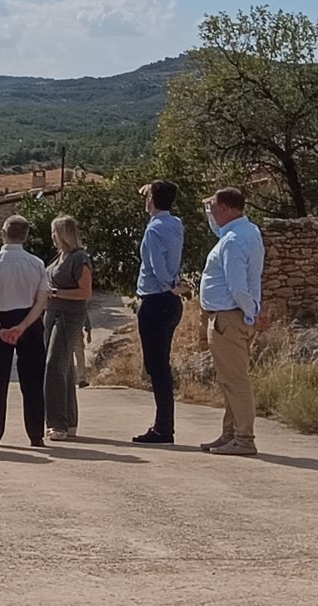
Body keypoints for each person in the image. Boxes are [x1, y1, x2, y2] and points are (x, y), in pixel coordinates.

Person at [198, 187, 265, 455]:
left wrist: (250, 312)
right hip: (235, 316)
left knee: (235, 381)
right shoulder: (246, 232)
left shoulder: (233, 241)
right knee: (230, 379)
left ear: (225, 208)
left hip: (228, 317)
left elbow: (238, 286)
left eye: (213, 206)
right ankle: (230, 433)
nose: (211, 211)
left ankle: (244, 438)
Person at [0, 215, 49, 447]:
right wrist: (24, 325)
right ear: (26, 236)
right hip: (30, 320)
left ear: (3, 233)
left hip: (1, 319)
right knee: (33, 380)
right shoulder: (37, 263)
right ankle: (36, 434)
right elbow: (42, 301)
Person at [132, 179, 186, 444]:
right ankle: (164, 423)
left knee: (157, 366)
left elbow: (156, 266)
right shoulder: (175, 224)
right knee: (161, 364)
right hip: (170, 303)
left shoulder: (153, 230)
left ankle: (163, 427)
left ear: (152, 199)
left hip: (156, 298)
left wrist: (169, 285)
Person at [43, 215, 94, 441]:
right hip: (52, 314)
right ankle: (69, 420)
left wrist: (55, 293)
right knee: (65, 369)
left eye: (54, 232)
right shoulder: (59, 257)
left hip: (69, 316)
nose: (52, 237)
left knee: (54, 365)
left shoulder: (79, 258)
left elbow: (85, 292)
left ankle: (57, 422)